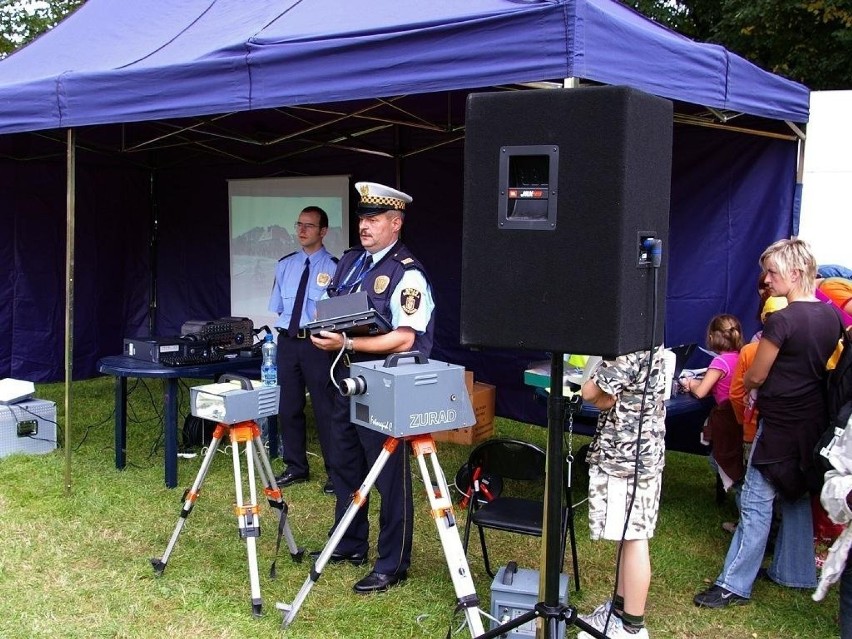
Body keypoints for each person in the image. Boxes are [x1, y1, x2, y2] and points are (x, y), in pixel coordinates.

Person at [693, 238, 844, 608]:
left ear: (795, 274)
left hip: (778, 423)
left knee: (756, 504)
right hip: (811, 421)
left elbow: (755, 376)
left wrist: (759, 383)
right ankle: (795, 572)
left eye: (773, 272)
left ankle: (733, 584)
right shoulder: (830, 315)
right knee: (793, 492)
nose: (767, 278)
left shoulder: (783, 319)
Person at [311, 181, 435, 594]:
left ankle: (392, 563)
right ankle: (349, 543)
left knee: (389, 479)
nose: (364, 226)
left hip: (384, 383)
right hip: (342, 377)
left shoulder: (407, 272)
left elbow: (405, 337)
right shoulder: (351, 262)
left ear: (395, 223)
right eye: (363, 218)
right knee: (344, 465)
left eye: (374, 219)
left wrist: (348, 341)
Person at [577, 346, 666, 639]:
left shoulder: (628, 350)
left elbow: (590, 392)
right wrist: (603, 395)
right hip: (641, 453)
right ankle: (619, 612)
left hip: (625, 459)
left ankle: (631, 627)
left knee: (635, 537)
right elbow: (603, 397)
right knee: (628, 537)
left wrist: (598, 388)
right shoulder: (651, 342)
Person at [267, 206, 338, 492]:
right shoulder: (285, 265)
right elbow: (281, 309)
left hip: (316, 343)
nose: (302, 230)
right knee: (289, 406)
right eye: (299, 224)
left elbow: (334, 313)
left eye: (309, 226)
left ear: (323, 231)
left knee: (325, 407)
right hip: (288, 341)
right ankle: (296, 466)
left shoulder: (333, 267)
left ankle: (336, 471)